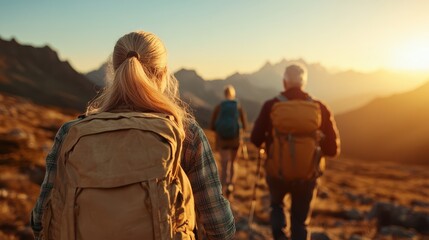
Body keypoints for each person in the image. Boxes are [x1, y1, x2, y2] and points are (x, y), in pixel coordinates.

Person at [30, 31, 235, 240]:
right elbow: (220, 227)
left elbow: (40, 221)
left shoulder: (70, 133)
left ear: (114, 72)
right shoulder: (185, 133)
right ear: (164, 74)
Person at [250, 63, 340, 240]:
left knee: (277, 206)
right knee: (300, 221)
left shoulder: (271, 105)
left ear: (285, 82)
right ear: (303, 83)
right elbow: (332, 150)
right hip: (307, 174)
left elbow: (255, 139)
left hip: (277, 172)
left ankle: (280, 236)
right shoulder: (319, 107)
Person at [210, 85, 247, 196]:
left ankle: (223, 186)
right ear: (233, 94)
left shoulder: (219, 107)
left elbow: (212, 126)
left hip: (223, 140)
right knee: (233, 163)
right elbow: (244, 125)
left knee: (225, 163)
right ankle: (231, 184)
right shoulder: (237, 107)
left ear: (224, 94)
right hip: (235, 140)